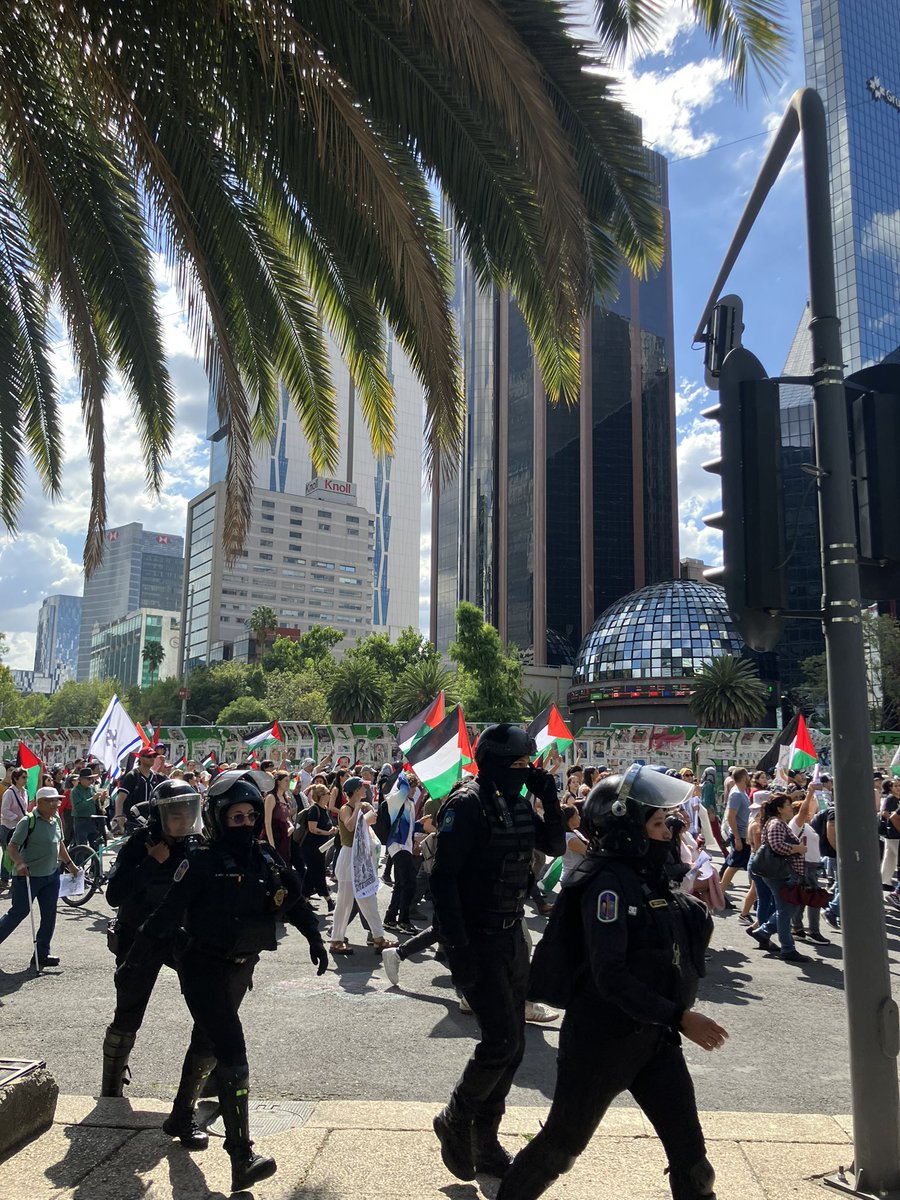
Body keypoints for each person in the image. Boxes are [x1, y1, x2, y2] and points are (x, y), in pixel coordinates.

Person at [499, 766, 727, 1200]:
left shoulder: (648, 876)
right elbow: (611, 977)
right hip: (600, 1044)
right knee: (561, 1147)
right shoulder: (607, 884)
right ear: (627, 829)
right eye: (658, 823)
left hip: (655, 1042)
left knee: (693, 1162)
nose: (670, 831)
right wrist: (679, 1017)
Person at [128, 769, 328, 1192]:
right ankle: (242, 1157)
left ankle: (181, 1115)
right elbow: (165, 914)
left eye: (250, 816)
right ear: (219, 819)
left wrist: (315, 938)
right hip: (202, 968)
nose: (245, 824)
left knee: (207, 1042)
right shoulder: (199, 861)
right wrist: (134, 958)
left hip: (241, 968)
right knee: (232, 1052)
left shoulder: (266, 858)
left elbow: (292, 899)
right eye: (235, 817)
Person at [430, 724, 565, 1182]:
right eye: (520, 765)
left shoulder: (518, 801)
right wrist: (457, 950)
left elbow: (556, 844)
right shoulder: (466, 806)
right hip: (476, 940)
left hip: (511, 937)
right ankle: (454, 1120)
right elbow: (443, 880)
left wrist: (547, 794)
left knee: (516, 1045)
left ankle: (485, 1143)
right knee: (500, 1041)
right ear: (495, 764)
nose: (526, 771)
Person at [101, 780, 206, 1103]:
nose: (184, 820)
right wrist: (151, 862)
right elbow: (114, 894)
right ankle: (112, 1083)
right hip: (137, 937)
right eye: (176, 814)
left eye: (189, 812)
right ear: (161, 815)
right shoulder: (139, 843)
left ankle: (206, 1079)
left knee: (209, 1002)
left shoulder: (195, 843)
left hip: (178, 935)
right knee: (129, 1011)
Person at [0, 787, 80, 968]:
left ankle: (42, 953)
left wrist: (70, 865)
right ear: (40, 802)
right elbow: (12, 847)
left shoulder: (56, 819)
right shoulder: (27, 821)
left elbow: (59, 844)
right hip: (28, 877)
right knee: (18, 913)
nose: (55, 804)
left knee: (49, 915)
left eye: (57, 801)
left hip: (51, 876)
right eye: (51, 801)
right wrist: (20, 865)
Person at [329, 776, 397, 954]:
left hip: (359, 857)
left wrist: (366, 809)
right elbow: (350, 826)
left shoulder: (360, 807)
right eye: (362, 787)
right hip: (349, 856)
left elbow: (372, 820)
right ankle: (339, 939)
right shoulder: (346, 808)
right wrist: (359, 807)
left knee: (366, 898)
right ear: (355, 790)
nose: (366, 790)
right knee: (347, 902)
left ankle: (376, 936)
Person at [746, 793, 809, 963]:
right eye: (788, 805)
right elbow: (777, 846)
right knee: (785, 910)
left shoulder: (779, 823)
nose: (791, 807)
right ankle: (787, 948)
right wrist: (797, 848)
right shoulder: (775, 823)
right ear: (780, 809)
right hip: (779, 873)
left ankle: (764, 931)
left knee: (788, 908)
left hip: (780, 873)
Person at [114, 746, 165, 834]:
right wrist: (119, 816)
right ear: (140, 758)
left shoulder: (157, 777)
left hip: (152, 819)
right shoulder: (132, 776)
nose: (152, 758)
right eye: (149, 756)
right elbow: (120, 798)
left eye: (154, 756)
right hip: (134, 820)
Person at [719, 767, 752, 900]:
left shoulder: (742, 792)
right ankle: (720, 891)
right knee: (734, 864)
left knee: (741, 863)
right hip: (740, 834)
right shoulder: (736, 794)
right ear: (744, 777)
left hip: (745, 834)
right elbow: (731, 816)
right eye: (747, 776)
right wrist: (737, 838)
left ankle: (753, 895)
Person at [0, 767, 30, 890]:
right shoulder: (9, 792)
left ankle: (15, 876)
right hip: (8, 827)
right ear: (16, 779)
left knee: (18, 852)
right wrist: (17, 817)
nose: (26, 780)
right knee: (8, 852)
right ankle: (4, 878)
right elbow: (4, 810)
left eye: (26, 777)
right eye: (23, 777)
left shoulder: (25, 792)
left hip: (20, 826)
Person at [70, 766, 108, 847]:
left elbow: (97, 804)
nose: (91, 781)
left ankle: (95, 859)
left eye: (92, 779)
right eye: (88, 779)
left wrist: (102, 800)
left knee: (96, 845)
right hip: (80, 821)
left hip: (92, 820)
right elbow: (78, 807)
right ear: (80, 780)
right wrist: (93, 799)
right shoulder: (75, 791)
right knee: (81, 846)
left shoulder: (91, 788)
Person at [263, 770, 294, 866]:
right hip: (274, 837)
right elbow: (267, 822)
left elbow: (287, 817)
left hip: (284, 839)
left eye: (289, 781)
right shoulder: (271, 797)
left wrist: (291, 826)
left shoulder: (285, 797)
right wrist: (272, 846)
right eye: (286, 780)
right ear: (278, 782)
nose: (288, 783)